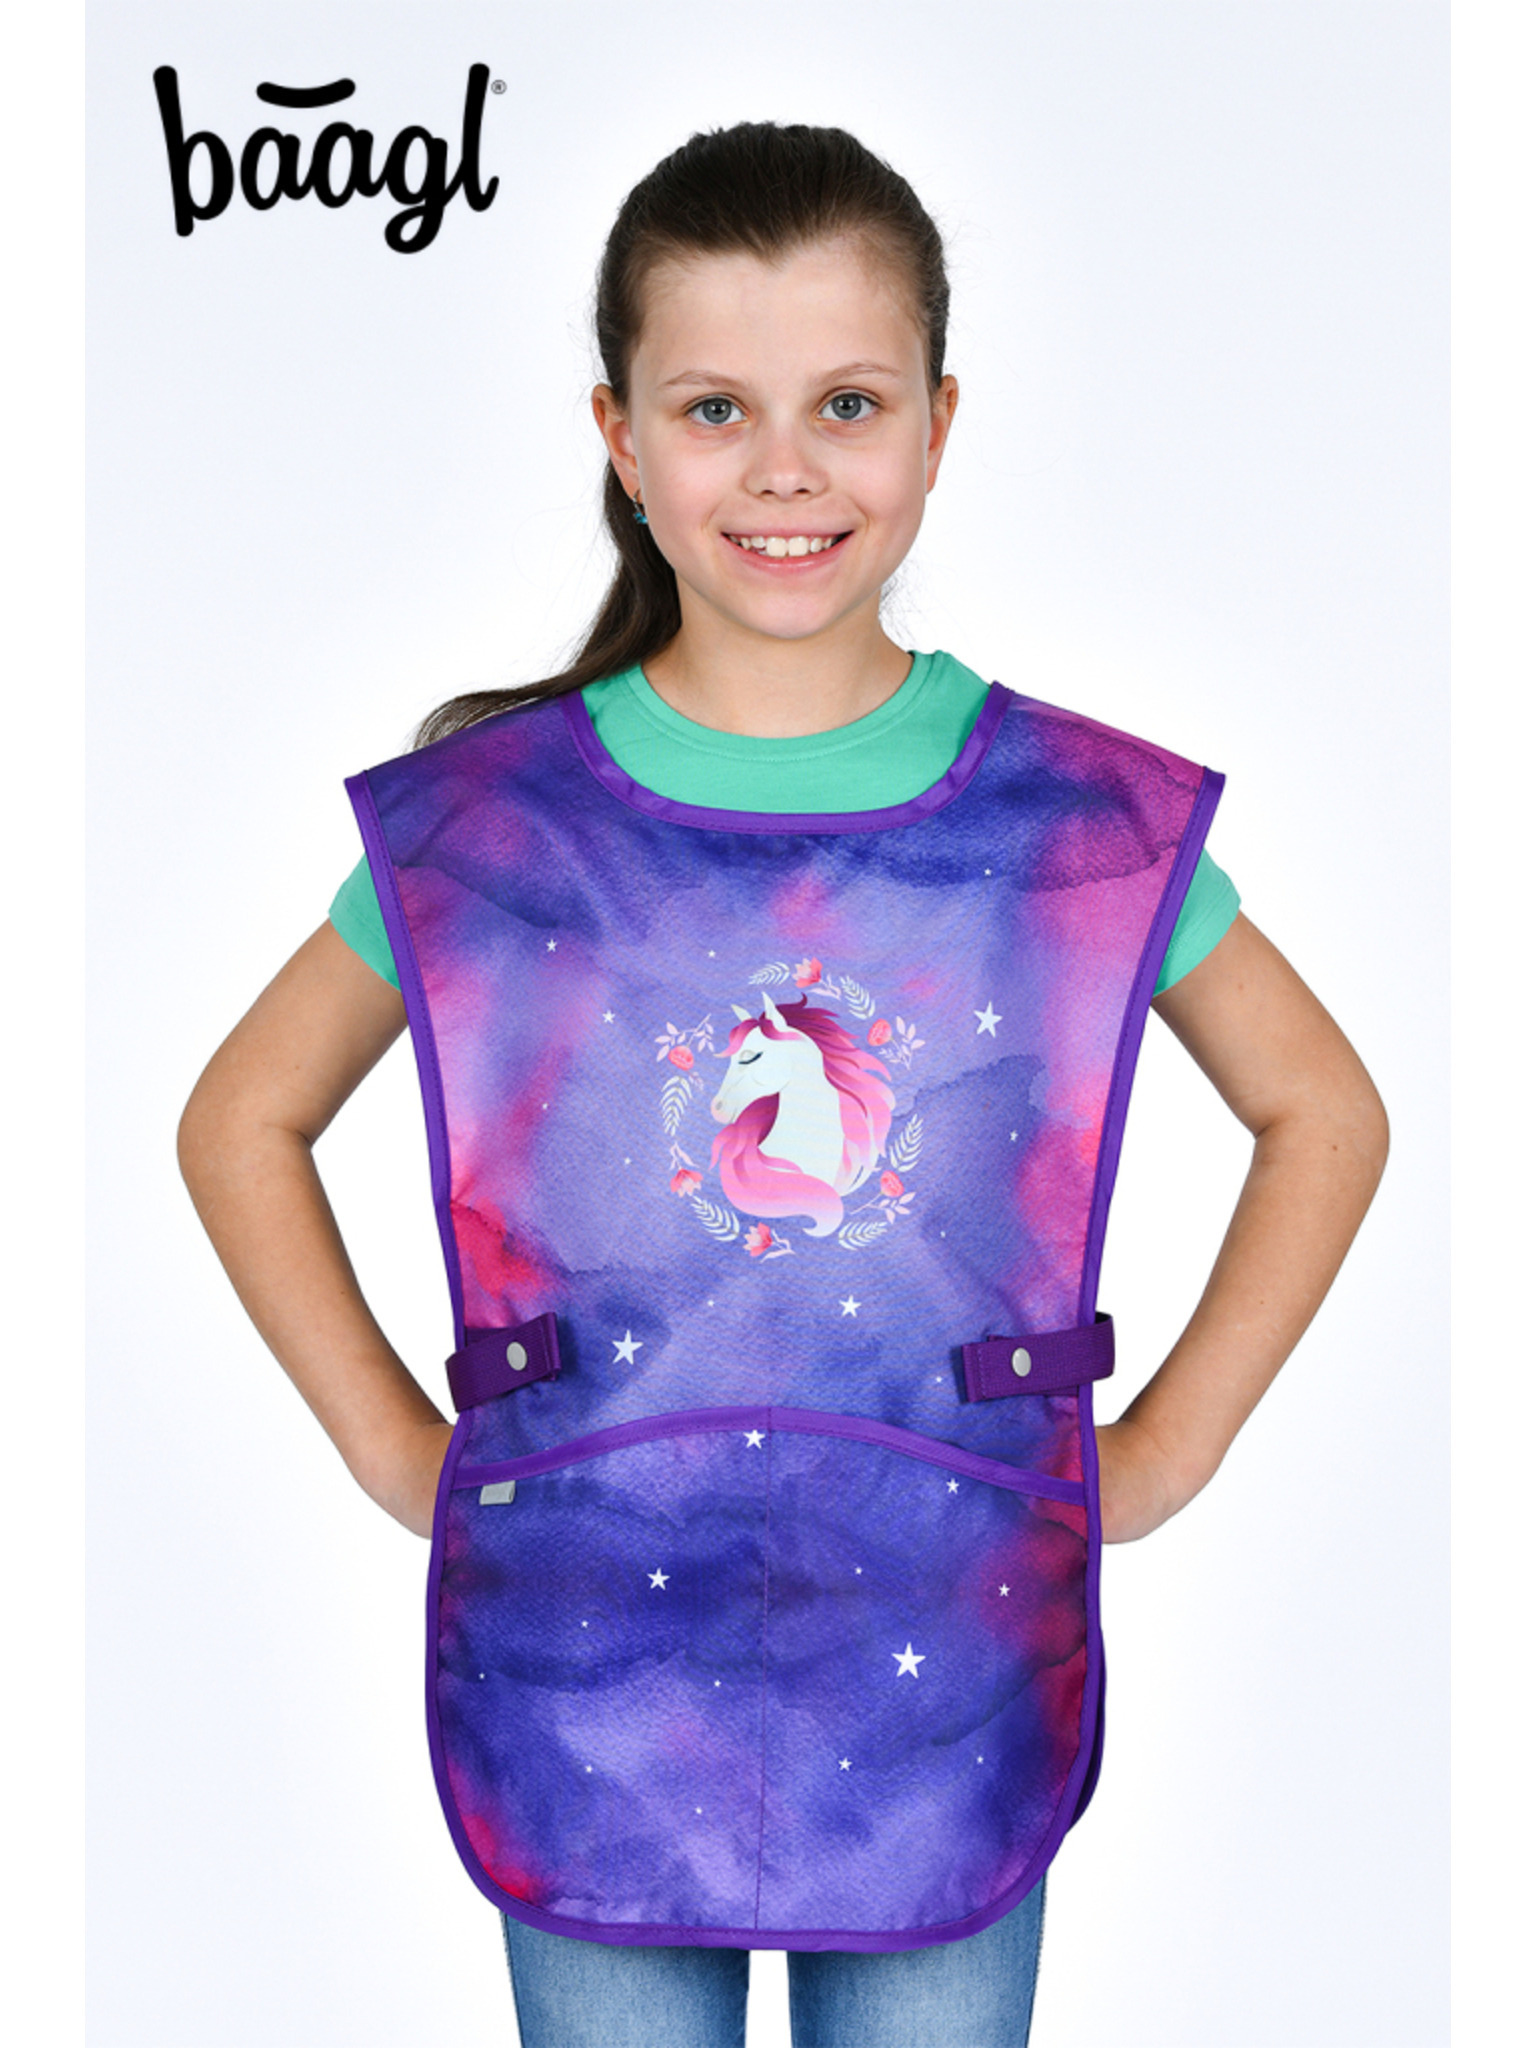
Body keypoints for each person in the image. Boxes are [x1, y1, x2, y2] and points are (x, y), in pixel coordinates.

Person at [178, 122, 1389, 2048]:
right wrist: (395, 1449)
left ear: (937, 424)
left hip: (947, 1649)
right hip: (591, 1655)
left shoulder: (1073, 821)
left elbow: (1325, 1112)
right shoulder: (493, 831)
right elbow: (239, 1120)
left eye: (846, 402)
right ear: (621, 437)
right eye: (714, 409)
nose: (785, 467)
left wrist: (1165, 1452)